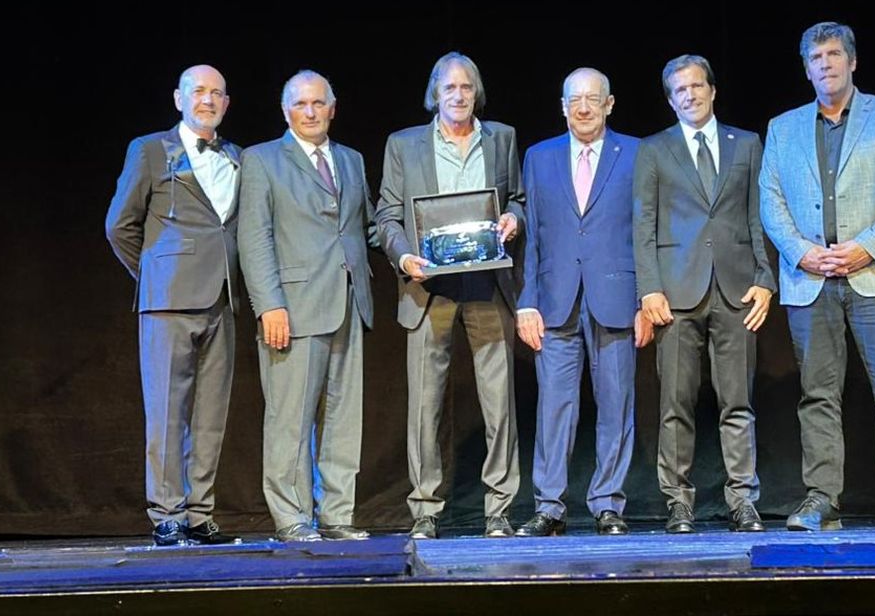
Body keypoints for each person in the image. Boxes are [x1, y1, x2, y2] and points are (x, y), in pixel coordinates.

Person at [759, 21, 875, 531]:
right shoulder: (783, 127)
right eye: (816, 58)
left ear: (852, 61)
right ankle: (821, 499)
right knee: (817, 395)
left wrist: (865, 247)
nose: (826, 65)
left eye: (834, 55)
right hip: (811, 280)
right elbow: (771, 199)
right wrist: (802, 253)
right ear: (806, 69)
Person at [374, 52, 524, 539]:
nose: (458, 96)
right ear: (434, 95)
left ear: (476, 92)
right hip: (428, 288)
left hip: (487, 284)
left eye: (466, 87)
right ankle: (425, 509)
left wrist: (514, 219)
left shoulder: (501, 138)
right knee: (425, 405)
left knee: (499, 403)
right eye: (449, 88)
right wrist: (403, 257)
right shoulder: (404, 145)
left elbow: (517, 199)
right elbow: (387, 215)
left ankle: (499, 509)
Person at [633, 55, 775, 534]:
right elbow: (643, 224)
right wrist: (649, 289)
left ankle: (743, 500)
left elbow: (758, 215)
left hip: (736, 290)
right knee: (676, 405)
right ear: (670, 100)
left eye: (697, 86)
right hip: (675, 293)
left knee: (738, 402)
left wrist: (765, 278)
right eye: (680, 90)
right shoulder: (654, 149)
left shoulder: (746, 144)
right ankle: (678, 502)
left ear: (712, 91)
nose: (690, 95)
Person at [238, 70, 376, 542]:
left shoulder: (351, 159)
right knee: (290, 419)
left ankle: (337, 516)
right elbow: (253, 237)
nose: (311, 112)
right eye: (301, 104)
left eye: (319, 103)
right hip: (292, 308)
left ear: (332, 109)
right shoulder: (261, 160)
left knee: (343, 418)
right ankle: (292, 517)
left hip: (349, 301)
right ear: (286, 111)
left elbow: (366, 227)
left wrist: (412, 250)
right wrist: (268, 305)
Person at [513, 68, 651, 538]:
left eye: (593, 99)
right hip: (555, 300)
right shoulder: (539, 157)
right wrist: (526, 302)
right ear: (563, 106)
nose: (584, 107)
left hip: (617, 297)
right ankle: (549, 506)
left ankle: (608, 503)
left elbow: (646, 231)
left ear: (610, 104)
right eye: (575, 99)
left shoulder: (636, 153)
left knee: (616, 404)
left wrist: (644, 300)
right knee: (554, 407)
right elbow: (533, 236)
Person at [106, 64, 240, 546]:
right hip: (168, 302)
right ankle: (167, 513)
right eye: (198, 91)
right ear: (179, 99)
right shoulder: (149, 150)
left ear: (227, 103)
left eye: (217, 93)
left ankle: (200, 513)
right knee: (167, 412)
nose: (208, 99)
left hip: (222, 298)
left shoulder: (238, 157)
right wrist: (157, 276)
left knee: (211, 414)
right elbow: (119, 226)